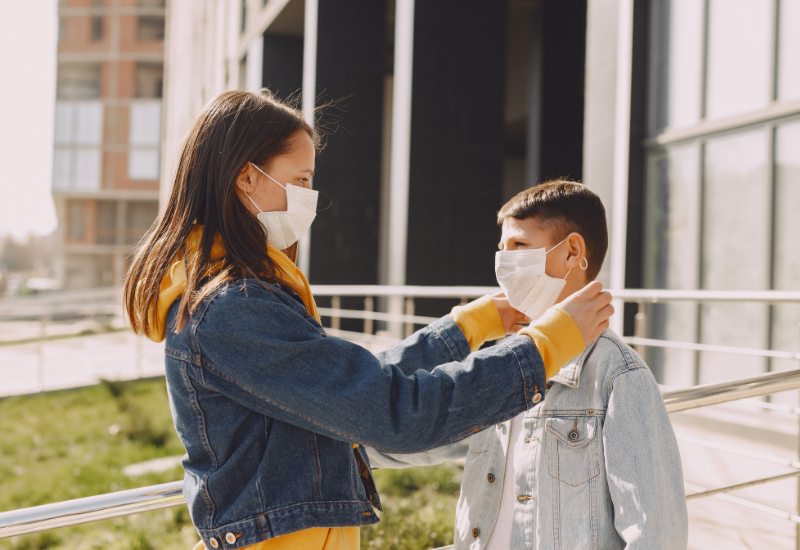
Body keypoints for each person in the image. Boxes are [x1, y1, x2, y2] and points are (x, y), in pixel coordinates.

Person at [123, 91, 614, 550]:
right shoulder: (233, 309)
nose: (310, 196)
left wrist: (470, 326)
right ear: (246, 177)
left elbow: (353, 385)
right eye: (300, 180)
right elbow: (395, 412)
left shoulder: (242, 295)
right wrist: (545, 345)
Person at [369, 181, 687, 550]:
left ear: (572, 252)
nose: (505, 262)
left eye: (519, 246)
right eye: (501, 249)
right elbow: (399, 439)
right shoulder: (500, 365)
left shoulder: (617, 375)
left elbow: (656, 535)